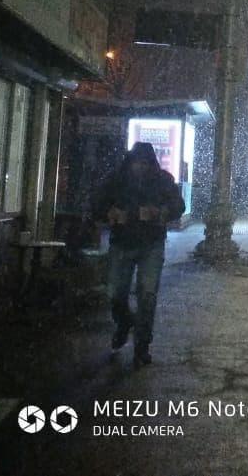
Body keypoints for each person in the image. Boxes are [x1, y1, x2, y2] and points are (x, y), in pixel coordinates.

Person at [92, 142, 185, 366]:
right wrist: (109, 213)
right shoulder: (117, 179)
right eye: (137, 163)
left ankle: (142, 345)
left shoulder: (162, 180)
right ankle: (125, 323)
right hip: (122, 243)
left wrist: (158, 212)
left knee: (147, 294)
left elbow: (178, 205)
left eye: (144, 163)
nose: (140, 168)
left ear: (151, 164)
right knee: (115, 292)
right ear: (130, 162)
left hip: (150, 244)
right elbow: (96, 203)